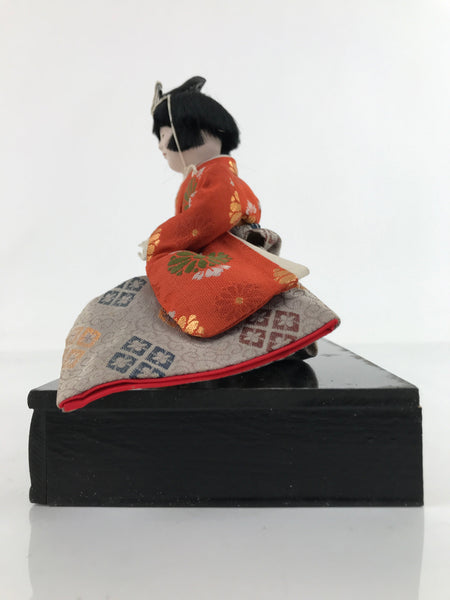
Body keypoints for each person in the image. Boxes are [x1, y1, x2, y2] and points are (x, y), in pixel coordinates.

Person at [145, 76, 310, 338]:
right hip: (208, 239)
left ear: (198, 130)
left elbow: (211, 214)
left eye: (165, 134)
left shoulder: (218, 174)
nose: (160, 146)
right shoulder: (200, 174)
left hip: (225, 240)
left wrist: (162, 239)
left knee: (176, 267)